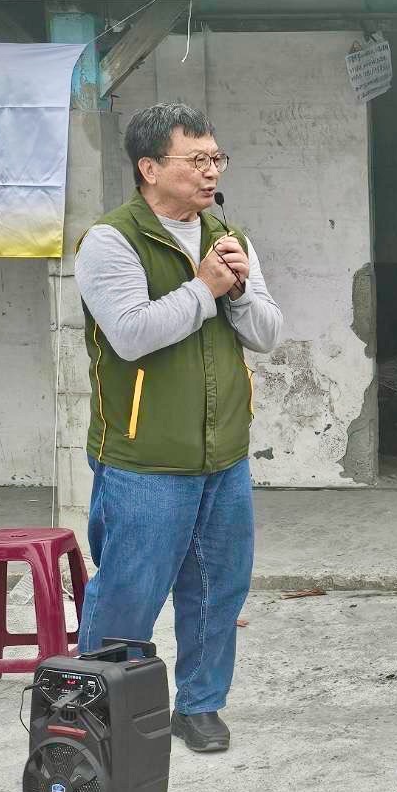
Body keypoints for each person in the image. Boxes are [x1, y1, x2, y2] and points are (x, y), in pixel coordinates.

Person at [74, 103, 282, 754]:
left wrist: (240, 289)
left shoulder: (229, 235)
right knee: (128, 595)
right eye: (196, 160)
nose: (209, 172)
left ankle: (199, 706)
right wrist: (202, 288)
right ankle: (91, 715)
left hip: (223, 454)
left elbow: (268, 334)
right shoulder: (111, 240)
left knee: (219, 588)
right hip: (144, 457)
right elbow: (132, 335)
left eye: (216, 159)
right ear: (149, 168)